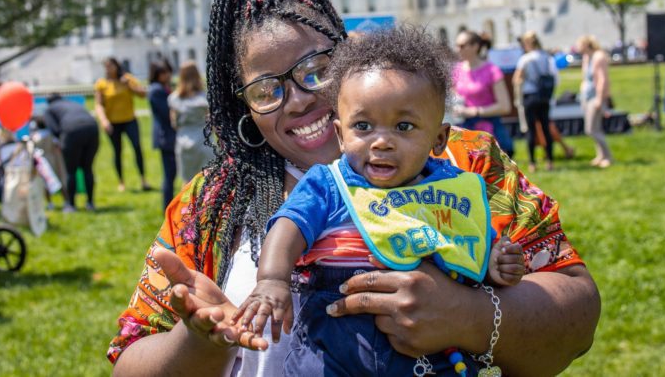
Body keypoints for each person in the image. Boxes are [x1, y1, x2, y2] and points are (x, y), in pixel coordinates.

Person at [107, 0, 600, 376]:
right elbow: (129, 360)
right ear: (247, 113)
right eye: (267, 90)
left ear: (350, 62)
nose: (299, 100)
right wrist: (201, 342)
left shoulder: (461, 160)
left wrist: (467, 315)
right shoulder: (209, 206)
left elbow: (577, 315)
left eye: (317, 70)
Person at [234, 25, 525, 375]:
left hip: (429, 354)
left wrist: (496, 261)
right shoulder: (331, 183)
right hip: (335, 340)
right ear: (340, 134)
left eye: (403, 127)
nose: (381, 142)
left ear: (438, 138)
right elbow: (289, 225)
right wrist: (272, 280)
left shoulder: (456, 186)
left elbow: (471, 236)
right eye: (363, 127)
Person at [452, 29, 514, 157]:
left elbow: (504, 106)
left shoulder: (492, 70)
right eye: (457, 45)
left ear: (475, 46)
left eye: (462, 46)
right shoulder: (456, 70)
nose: (458, 49)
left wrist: (475, 111)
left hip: (488, 130)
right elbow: (453, 97)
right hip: (463, 130)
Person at [94, 57, 150, 192]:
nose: (108, 69)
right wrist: (104, 121)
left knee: (137, 148)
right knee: (117, 151)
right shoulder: (101, 84)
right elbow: (99, 105)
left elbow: (143, 94)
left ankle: (143, 179)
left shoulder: (127, 79)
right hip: (113, 123)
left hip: (129, 120)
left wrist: (129, 85)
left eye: (111, 66)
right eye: (106, 66)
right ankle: (121, 182)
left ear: (116, 66)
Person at [44, 93, 100, 212]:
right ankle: (90, 203)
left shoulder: (49, 109)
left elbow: (54, 129)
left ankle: (71, 205)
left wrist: (60, 141)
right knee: (87, 168)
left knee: (71, 171)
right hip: (92, 128)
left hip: (71, 131)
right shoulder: (71, 103)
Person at [513, 31, 559, 171]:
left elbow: (517, 78)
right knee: (545, 127)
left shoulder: (525, 59)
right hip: (544, 96)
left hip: (530, 96)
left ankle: (532, 162)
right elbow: (554, 76)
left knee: (531, 130)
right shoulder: (547, 57)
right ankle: (550, 161)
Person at [575, 35, 614, 168]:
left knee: (592, 129)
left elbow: (602, 79)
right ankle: (601, 155)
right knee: (595, 128)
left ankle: (608, 156)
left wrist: (599, 99)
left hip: (596, 97)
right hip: (586, 96)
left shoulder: (598, 56)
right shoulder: (587, 57)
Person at [168, 61, 210, 187]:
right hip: (204, 140)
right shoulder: (205, 97)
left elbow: (174, 123)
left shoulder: (174, 98)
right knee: (208, 181)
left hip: (184, 140)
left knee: (187, 183)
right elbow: (212, 120)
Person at [148, 59, 177, 208]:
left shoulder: (163, 88)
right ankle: (167, 206)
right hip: (165, 137)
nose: (168, 75)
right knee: (169, 175)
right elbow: (166, 113)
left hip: (169, 136)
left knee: (171, 174)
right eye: (164, 72)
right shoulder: (156, 90)